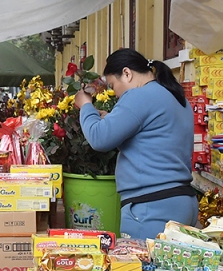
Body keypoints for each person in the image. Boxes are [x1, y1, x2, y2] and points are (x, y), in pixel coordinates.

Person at [73, 49, 196, 238]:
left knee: (139, 267)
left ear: (127, 74)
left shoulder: (139, 96)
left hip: (151, 208)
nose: (115, 94)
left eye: (113, 86)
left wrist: (86, 106)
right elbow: (151, 137)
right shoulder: (176, 97)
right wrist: (111, 118)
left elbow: (99, 138)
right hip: (182, 202)